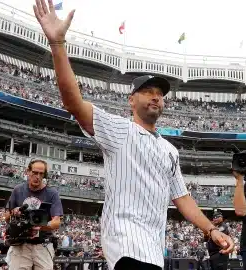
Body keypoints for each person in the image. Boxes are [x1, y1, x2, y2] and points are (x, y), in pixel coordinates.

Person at [32, 1, 235, 269]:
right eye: (148, 91)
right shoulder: (118, 128)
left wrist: (211, 230)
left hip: (152, 246)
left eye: (160, 94)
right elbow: (73, 103)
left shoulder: (170, 151)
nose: (156, 97)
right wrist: (58, 45)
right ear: (131, 100)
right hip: (124, 239)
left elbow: (183, 199)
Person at [5, 159, 63, 270]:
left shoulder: (52, 193)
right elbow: (6, 217)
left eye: (41, 174)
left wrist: (39, 225)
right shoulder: (18, 190)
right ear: (28, 172)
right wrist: (15, 212)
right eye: (35, 172)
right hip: (21, 244)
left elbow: (57, 222)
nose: (38, 176)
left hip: (42, 245)